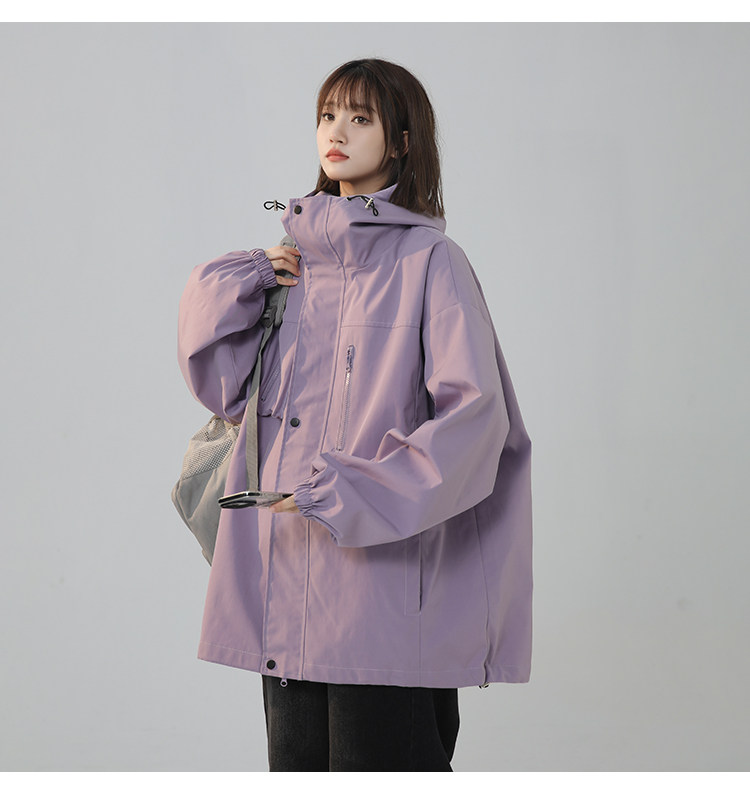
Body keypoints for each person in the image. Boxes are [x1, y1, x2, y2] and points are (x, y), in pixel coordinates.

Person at [177, 58, 533, 772]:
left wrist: (350, 491)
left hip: (384, 595)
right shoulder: (291, 268)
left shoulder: (431, 262)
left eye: (360, 118)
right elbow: (222, 387)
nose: (336, 132)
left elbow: (474, 423)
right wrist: (248, 278)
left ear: (401, 141)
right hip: (283, 578)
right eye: (327, 115)